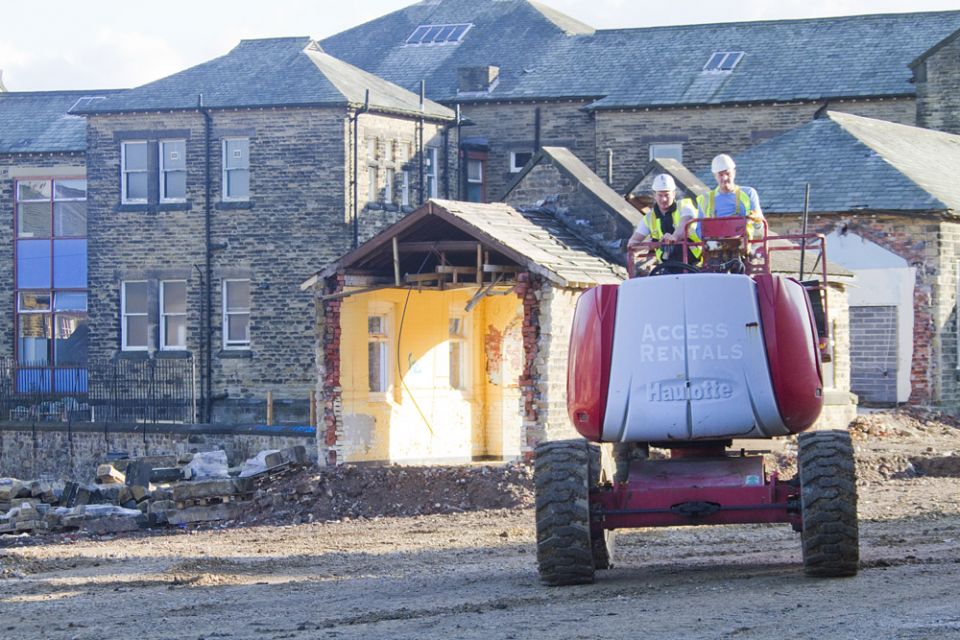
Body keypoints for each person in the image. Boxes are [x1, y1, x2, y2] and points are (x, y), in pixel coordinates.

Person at [627, 173, 701, 267]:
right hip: (667, 265)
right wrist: (653, 244)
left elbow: (684, 225)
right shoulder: (649, 218)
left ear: (674, 194)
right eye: (660, 195)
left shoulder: (684, 207)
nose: (664, 199)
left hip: (694, 263)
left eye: (667, 194)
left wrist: (673, 238)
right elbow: (632, 245)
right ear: (654, 195)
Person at [697, 153, 765, 239]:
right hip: (714, 247)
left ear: (734, 173)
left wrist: (756, 219)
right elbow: (699, 231)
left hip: (744, 244)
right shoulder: (705, 199)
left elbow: (759, 226)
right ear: (715, 176)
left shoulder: (748, 193)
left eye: (728, 173)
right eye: (720, 174)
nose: (725, 178)